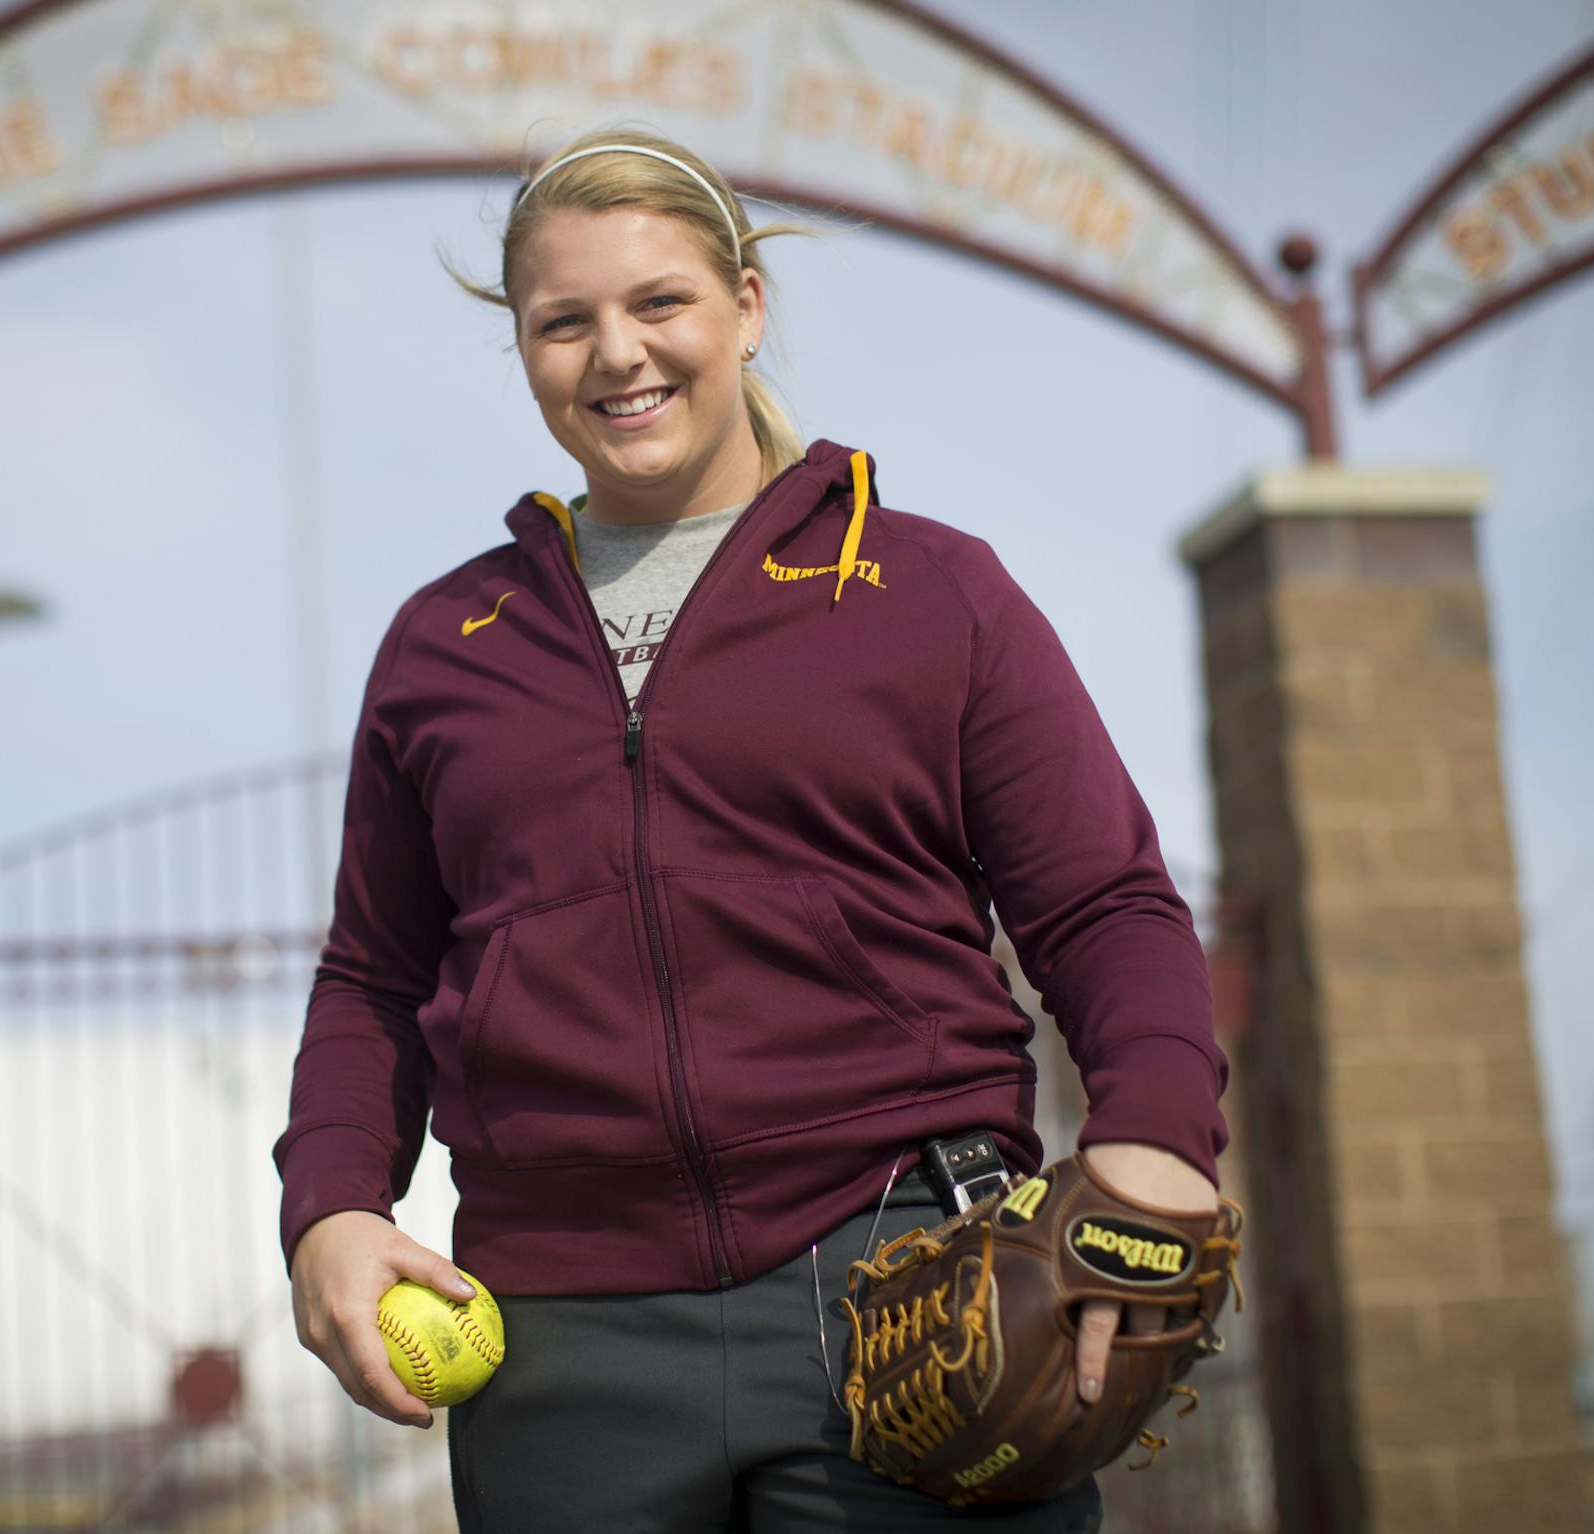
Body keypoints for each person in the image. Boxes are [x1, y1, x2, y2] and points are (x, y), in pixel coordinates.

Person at [276, 125, 1229, 1532]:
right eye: (564, 321)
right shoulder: (445, 643)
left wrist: (1159, 1140)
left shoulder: (929, 590)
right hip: (559, 1337)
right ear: (525, 349)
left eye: (659, 302)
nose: (618, 354)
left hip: (911, 1288)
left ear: (745, 308)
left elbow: (1104, 906)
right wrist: (332, 1208)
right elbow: (374, 976)